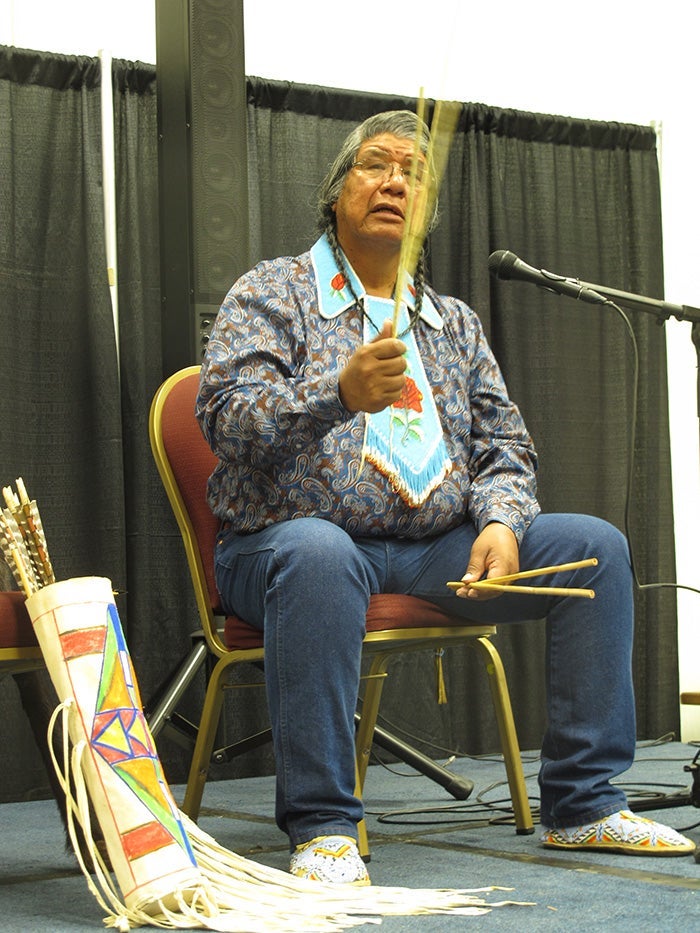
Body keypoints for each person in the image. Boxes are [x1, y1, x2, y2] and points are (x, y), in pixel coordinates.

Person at [196, 110, 694, 885]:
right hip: (285, 546)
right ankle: (324, 824)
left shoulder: (452, 323)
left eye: (414, 173)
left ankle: (584, 803)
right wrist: (336, 392)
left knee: (596, 547)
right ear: (337, 193)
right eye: (376, 164)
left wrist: (499, 521)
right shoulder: (274, 291)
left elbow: (506, 445)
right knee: (319, 550)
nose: (396, 181)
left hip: (434, 550)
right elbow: (226, 418)